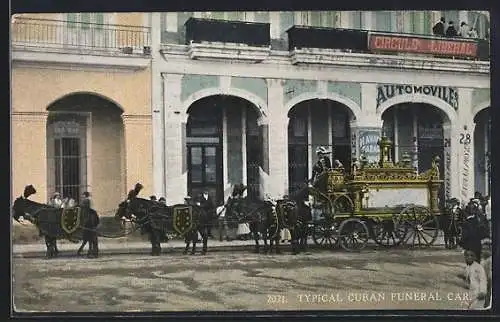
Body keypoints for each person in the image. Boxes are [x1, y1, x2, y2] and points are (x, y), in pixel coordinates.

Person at [480, 240, 492, 308]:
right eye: (483, 249)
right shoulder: (483, 259)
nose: (484, 251)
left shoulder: (490, 260)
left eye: (486, 249)